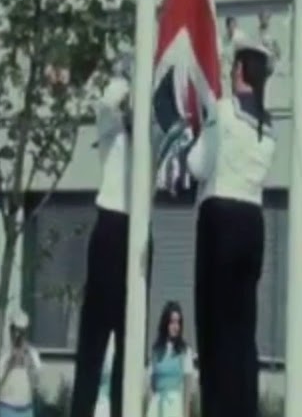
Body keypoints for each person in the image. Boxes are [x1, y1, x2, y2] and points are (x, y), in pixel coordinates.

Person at [184, 41, 277, 417]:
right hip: (252, 220)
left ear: (239, 70)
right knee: (242, 332)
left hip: (220, 216)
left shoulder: (223, 111)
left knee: (214, 328)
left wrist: (190, 138)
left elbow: (197, 165)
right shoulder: (269, 127)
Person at [70, 59, 150, 417]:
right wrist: (130, 85)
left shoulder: (151, 134)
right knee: (94, 339)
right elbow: (107, 102)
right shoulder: (111, 125)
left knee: (131, 341)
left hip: (140, 230)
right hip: (112, 225)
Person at [145, 302, 196, 417]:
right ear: (165, 323)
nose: (175, 327)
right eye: (172, 322)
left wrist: (186, 413)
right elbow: (151, 383)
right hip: (157, 403)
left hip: (175, 404)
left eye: (178, 322)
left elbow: (188, 384)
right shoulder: (156, 351)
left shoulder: (184, 351)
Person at [0, 310, 43, 417]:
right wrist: (10, 364)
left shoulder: (32, 353)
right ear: (11, 331)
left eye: (22, 332)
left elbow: (37, 383)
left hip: (26, 408)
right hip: (7, 406)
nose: (18, 336)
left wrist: (28, 365)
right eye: (16, 331)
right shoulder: (4, 353)